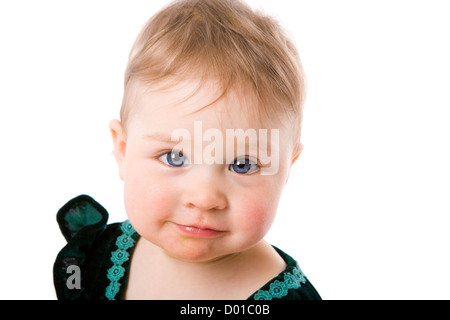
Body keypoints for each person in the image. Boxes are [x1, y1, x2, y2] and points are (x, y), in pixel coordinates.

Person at [54, 0, 321, 300]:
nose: (204, 198)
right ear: (123, 151)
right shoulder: (94, 258)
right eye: (174, 157)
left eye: (243, 164)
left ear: (287, 169)